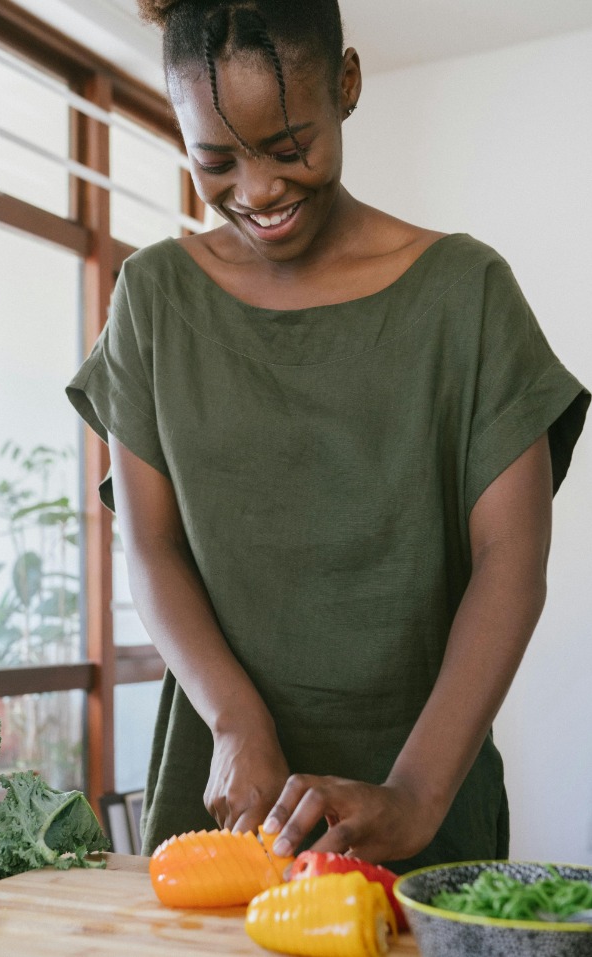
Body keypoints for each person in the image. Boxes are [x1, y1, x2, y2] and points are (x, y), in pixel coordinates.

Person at [67, 0, 589, 871]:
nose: (258, 190)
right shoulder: (153, 297)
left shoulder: (465, 294)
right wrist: (236, 721)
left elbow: (512, 561)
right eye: (216, 160)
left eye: (287, 147)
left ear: (345, 84)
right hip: (225, 793)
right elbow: (150, 546)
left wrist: (416, 796)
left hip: (420, 792)